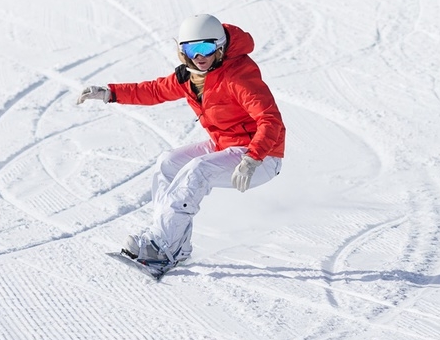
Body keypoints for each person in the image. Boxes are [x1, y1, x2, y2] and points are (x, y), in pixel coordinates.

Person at [74, 14, 285, 271]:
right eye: (191, 49)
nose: (199, 56)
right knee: (168, 162)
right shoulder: (189, 76)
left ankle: (164, 247)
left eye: (205, 48)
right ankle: (170, 241)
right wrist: (110, 93)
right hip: (226, 146)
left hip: (262, 155)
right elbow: (154, 90)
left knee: (198, 170)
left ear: (219, 47)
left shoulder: (238, 76)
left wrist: (253, 157)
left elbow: (270, 119)